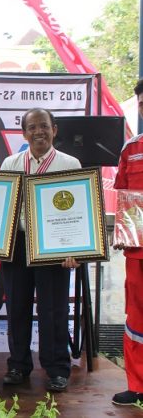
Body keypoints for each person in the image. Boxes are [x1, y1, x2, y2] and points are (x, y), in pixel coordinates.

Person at [0, 107, 80, 392]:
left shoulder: (70, 163)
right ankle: (18, 365)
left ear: (54, 130)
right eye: (32, 127)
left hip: (53, 246)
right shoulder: (11, 163)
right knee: (17, 306)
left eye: (43, 126)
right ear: (24, 133)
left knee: (53, 308)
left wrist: (76, 250)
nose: (38, 132)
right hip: (18, 243)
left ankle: (57, 368)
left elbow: (78, 212)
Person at [112, 78, 143, 406]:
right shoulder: (131, 149)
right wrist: (122, 231)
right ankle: (137, 385)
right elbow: (124, 196)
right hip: (137, 252)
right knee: (136, 318)